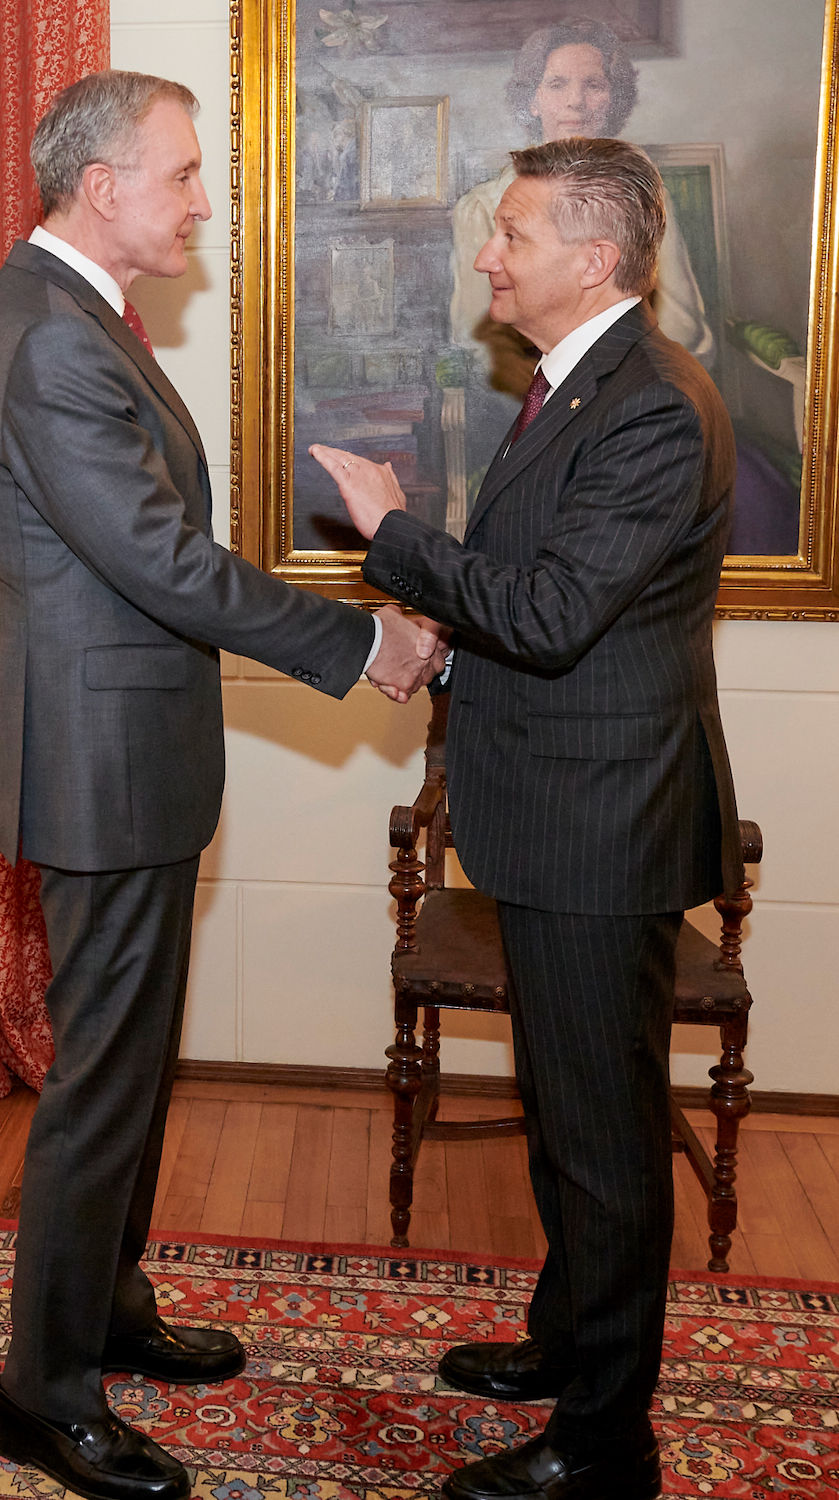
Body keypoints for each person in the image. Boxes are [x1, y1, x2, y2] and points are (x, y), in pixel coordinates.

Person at [0, 70, 445, 1500]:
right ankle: (42, 1393)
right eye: (180, 174)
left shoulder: (68, 316)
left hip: (122, 756)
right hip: (99, 767)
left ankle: (105, 1312)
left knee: (129, 1066)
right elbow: (161, 561)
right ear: (101, 185)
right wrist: (362, 642)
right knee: (101, 1084)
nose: (201, 204)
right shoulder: (50, 339)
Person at [312, 136, 742, 1500]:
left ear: (595, 259)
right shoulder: (573, 384)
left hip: (601, 827)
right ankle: (568, 1343)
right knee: (566, 1115)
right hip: (560, 810)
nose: (487, 255)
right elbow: (546, 597)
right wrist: (445, 643)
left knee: (605, 1145)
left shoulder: (652, 406)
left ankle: (609, 1443)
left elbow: (553, 615)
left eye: (512, 233)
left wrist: (393, 535)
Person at [452, 18, 713, 369]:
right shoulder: (481, 209)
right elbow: (481, 337)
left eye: (594, 85)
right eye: (557, 84)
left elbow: (681, 326)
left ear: (613, 100)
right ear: (533, 100)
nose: (576, 101)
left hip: (637, 380)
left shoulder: (647, 197)